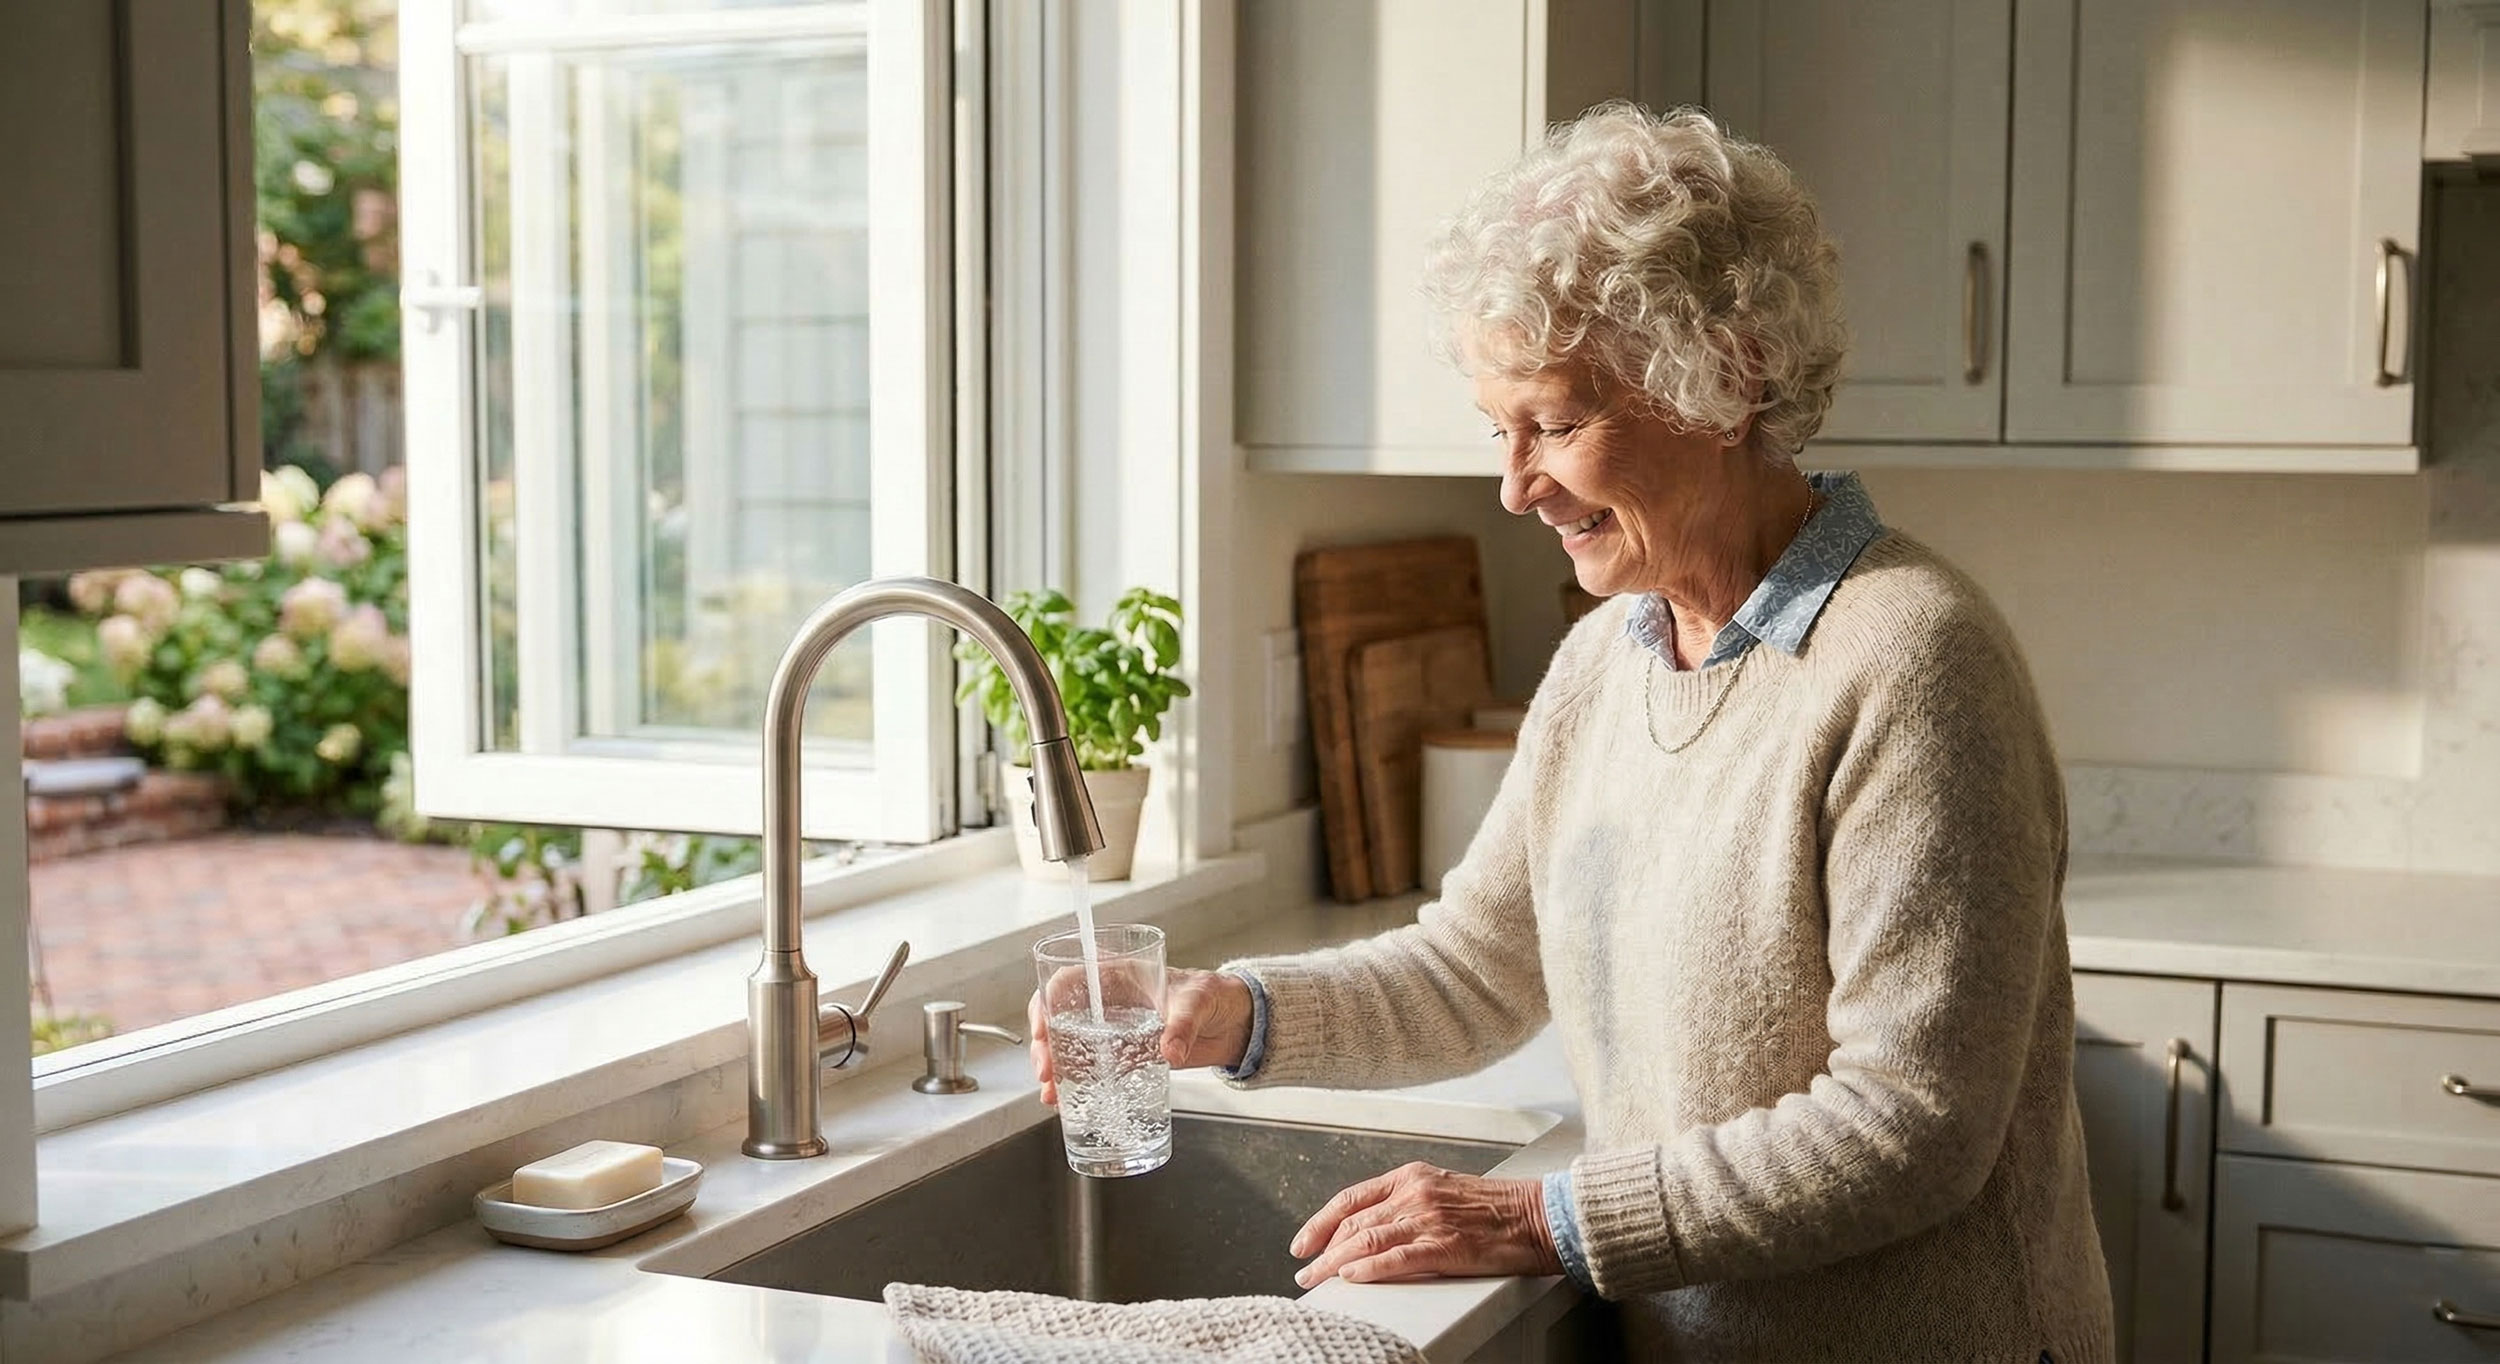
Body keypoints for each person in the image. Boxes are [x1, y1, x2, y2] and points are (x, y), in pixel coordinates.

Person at [1031, 103, 2113, 1361]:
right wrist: (1227, 1011)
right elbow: (1478, 966)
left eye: (1553, 422)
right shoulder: (1610, 655)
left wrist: (1542, 1215)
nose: (1515, 484)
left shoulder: (1913, 659)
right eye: (1501, 429)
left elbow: (1908, 1126)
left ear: (1726, 377)